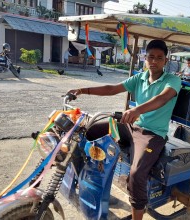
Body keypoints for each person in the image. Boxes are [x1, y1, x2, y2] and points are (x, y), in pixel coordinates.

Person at [67, 39, 181, 220]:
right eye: (151, 57)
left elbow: (162, 98)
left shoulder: (172, 80)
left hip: (152, 135)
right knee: (87, 132)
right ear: (145, 58)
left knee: (136, 174)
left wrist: (137, 110)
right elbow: (112, 89)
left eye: (159, 58)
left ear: (166, 61)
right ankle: (87, 182)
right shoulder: (140, 77)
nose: (154, 61)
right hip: (130, 127)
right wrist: (82, 90)